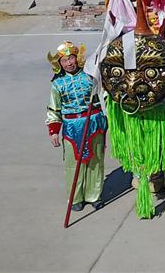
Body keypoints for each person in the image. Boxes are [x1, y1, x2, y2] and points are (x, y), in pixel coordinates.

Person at [45, 41, 105, 211]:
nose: (69, 63)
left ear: (77, 58)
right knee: (73, 163)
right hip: (71, 126)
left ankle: (94, 195)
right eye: (64, 60)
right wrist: (54, 131)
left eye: (71, 58)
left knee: (96, 161)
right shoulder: (57, 84)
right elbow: (53, 109)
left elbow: (102, 96)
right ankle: (76, 197)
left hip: (94, 121)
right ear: (59, 63)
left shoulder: (89, 76)